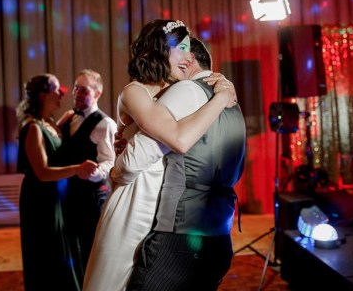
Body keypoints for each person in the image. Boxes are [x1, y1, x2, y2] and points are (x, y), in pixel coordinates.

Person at [83, 21, 237, 291]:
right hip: (134, 199)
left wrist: (221, 83)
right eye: (183, 49)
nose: (189, 58)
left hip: (165, 205)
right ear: (160, 50)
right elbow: (178, 139)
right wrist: (220, 99)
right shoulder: (135, 91)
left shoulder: (178, 89)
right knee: (112, 278)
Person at [127, 38, 246, 290]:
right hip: (219, 235)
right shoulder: (232, 102)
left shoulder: (186, 90)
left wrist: (118, 165)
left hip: (180, 237)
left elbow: (139, 156)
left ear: (188, 58)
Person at [16, 73, 98, 291]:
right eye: (56, 89)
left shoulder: (50, 123)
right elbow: (42, 173)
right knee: (48, 250)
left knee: (62, 247)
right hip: (41, 199)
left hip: (57, 195)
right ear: (43, 95)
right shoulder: (33, 128)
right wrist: (77, 169)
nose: (62, 92)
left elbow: (55, 145)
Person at [59, 69, 118, 276]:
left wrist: (92, 173)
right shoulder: (68, 119)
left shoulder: (105, 124)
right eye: (76, 88)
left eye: (83, 90)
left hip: (91, 198)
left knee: (92, 251)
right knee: (70, 251)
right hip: (68, 195)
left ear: (97, 93)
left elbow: (109, 161)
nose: (77, 93)